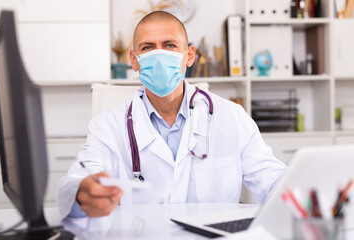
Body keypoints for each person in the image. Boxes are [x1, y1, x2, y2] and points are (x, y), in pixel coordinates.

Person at [57, 11, 286, 218]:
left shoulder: (232, 117)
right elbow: (77, 182)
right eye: (147, 47)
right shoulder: (107, 126)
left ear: (189, 56)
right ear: (134, 61)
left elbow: (274, 181)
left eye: (169, 45)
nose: (158, 56)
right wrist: (82, 194)